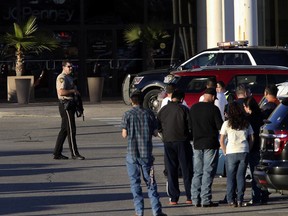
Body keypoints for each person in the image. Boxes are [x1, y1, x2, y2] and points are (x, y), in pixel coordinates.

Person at [121, 92, 167, 216]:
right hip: (146, 154)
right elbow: (156, 132)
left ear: (132, 101)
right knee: (151, 183)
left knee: (135, 183)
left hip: (132, 154)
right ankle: (156, 211)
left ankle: (139, 211)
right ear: (142, 101)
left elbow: (124, 134)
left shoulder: (127, 115)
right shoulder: (149, 114)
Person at [157, 90, 193, 205]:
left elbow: (158, 126)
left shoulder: (163, 110)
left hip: (168, 142)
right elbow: (190, 126)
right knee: (186, 169)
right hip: (182, 141)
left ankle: (173, 198)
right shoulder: (184, 109)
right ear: (181, 99)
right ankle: (189, 196)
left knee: (171, 169)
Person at [189, 88, 223, 207]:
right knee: (208, 172)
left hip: (197, 143)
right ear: (213, 97)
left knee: (197, 172)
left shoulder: (193, 108)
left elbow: (189, 126)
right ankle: (205, 200)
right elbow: (220, 126)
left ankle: (195, 199)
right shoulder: (214, 109)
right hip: (210, 143)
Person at [219, 101, 254, 207]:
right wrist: (249, 148)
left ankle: (230, 200)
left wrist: (225, 151)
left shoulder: (227, 123)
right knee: (241, 177)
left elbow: (221, 140)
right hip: (244, 151)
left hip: (231, 151)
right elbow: (252, 137)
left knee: (231, 177)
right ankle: (240, 199)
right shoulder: (246, 123)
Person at [53, 60, 85, 160]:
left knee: (64, 130)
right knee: (71, 130)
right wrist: (72, 91)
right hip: (65, 104)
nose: (71, 68)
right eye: (69, 66)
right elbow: (61, 92)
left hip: (71, 104)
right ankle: (74, 153)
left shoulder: (70, 78)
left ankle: (57, 153)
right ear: (63, 67)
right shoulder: (61, 77)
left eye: (72, 67)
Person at [243, 96, 270, 205]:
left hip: (253, 148)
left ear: (247, 107)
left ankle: (256, 196)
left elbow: (249, 136)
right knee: (262, 174)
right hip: (263, 148)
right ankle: (264, 195)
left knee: (255, 175)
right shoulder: (262, 116)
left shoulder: (248, 119)